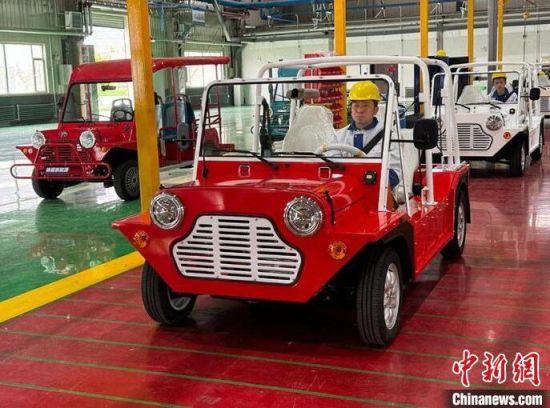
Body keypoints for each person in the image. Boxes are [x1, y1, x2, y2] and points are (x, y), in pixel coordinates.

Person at [327, 80, 401, 209]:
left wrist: (370, 185)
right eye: (356, 105)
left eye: (366, 105)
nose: (360, 110)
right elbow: (331, 167)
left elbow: (395, 172)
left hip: (378, 199)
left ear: (375, 110)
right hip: (344, 196)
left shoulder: (388, 135)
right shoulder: (339, 136)